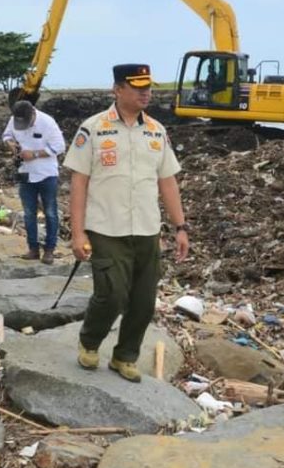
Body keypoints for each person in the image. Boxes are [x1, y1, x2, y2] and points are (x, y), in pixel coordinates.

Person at [63, 63, 190, 382]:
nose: (146, 92)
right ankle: (90, 342)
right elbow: (79, 182)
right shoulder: (93, 128)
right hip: (106, 228)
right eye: (138, 87)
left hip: (147, 229)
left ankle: (125, 356)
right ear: (118, 90)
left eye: (148, 87)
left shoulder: (156, 131)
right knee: (112, 294)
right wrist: (77, 233)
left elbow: (168, 182)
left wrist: (180, 227)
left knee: (144, 301)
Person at [2, 100, 65, 264]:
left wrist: (35, 154)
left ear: (33, 114)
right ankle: (33, 249)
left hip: (47, 174)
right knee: (29, 214)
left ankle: (50, 249)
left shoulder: (47, 122)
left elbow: (59, 147)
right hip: (25, 173)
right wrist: (11, 145)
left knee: (50, 212)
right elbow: (7, 135)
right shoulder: (15, 119)